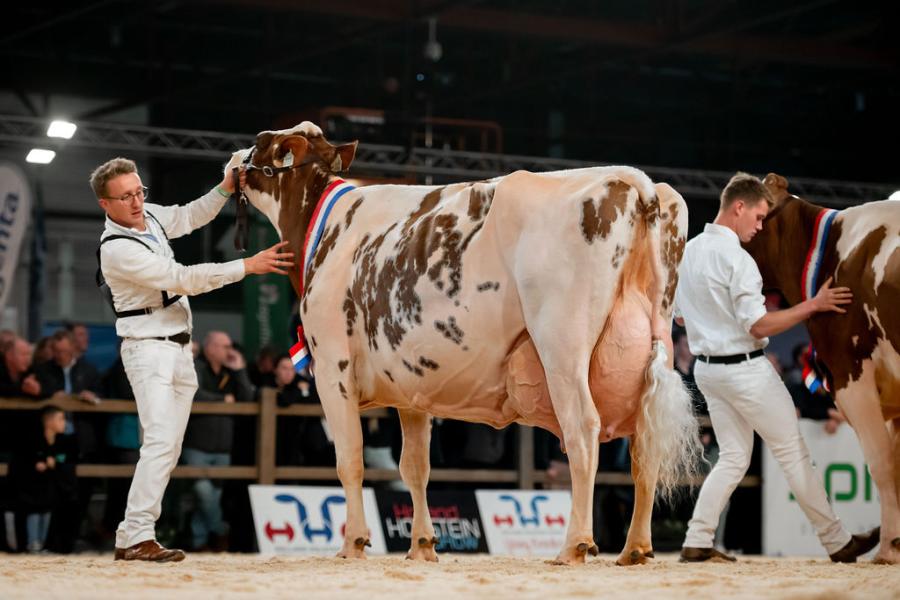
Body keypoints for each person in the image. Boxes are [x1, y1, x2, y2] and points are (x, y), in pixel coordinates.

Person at [91, 156, 293, 562]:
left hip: (181, 348)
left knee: (167, 445)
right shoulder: (115, 250)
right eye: (125, 196)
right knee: (161, 442)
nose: (136, 201)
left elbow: (187, 216)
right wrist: (246, 267)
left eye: (138, 191)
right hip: (148, 348)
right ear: (105, 204)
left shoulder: (149, 215)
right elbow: (181, 279)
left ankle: (132, 531)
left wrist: (223, 188)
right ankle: (137, 535)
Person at [674, 172, 879, 563]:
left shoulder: (688, 253)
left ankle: (697, 540)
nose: (760, 226)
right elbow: (759, 324)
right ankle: (837, 542)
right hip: (745, 371)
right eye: (758, 216)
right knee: (792, 453)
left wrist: (715, 318)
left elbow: (681, 320)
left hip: (708, 371)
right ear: (739, 207)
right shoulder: (738, 258)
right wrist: (813, 305)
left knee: (734, 457)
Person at [182, 331, 255, 551]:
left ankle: (199, 541)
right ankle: (221, 530)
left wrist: (240, 369)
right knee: (204, 493)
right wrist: (223, 400)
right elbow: (192, 394)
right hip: (197, 445)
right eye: (224, 346)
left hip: (223, 447)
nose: (229, 351)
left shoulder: (230, 372)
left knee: (212, 497)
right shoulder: (196, 367)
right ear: (210, 347)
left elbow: (247, 397)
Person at [8, 406, 78, 553]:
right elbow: (20, 464)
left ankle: (44, 544)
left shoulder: (63, 442)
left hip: (52, 493)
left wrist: (55, 464)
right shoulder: (32, 441)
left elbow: (68, 464)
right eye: (60, 419)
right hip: (32, 491)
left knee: (47, 512)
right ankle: (33, 543)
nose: (64, 423)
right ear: (48, 421)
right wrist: (36, 464)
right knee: (35, 510)